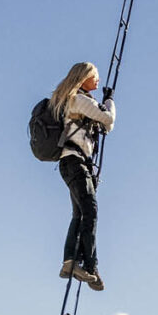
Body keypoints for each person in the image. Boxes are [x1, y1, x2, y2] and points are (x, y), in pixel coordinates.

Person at [47, 61, 114, 291]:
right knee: (90, 210)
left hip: (71, 163)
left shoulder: (74, 100)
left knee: (79, 214)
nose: (98, 79)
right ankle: (90, 266)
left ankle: (70, 263)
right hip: (75, 162)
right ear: (83, 77)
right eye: (94, 76)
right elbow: (108, 121)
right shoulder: (79, 99)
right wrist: (109, 101)